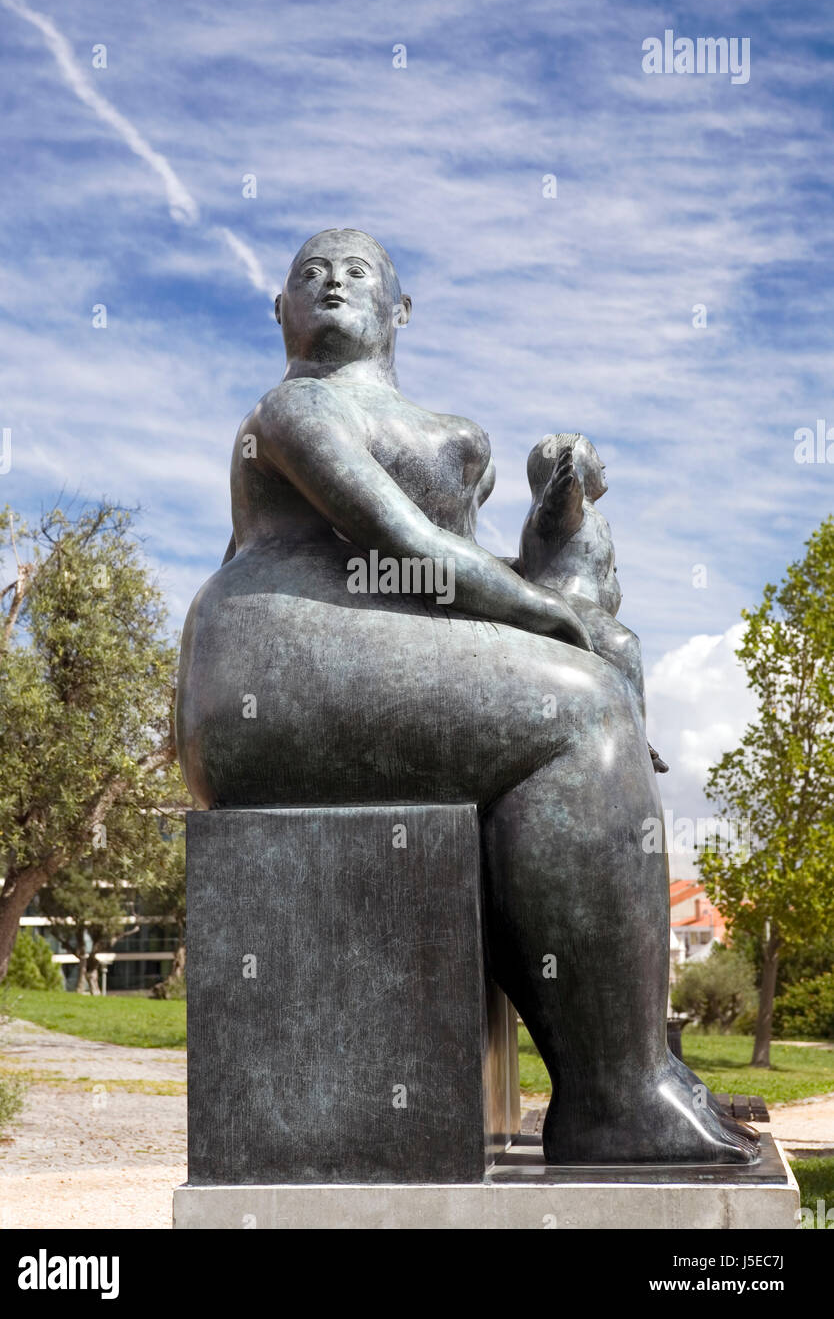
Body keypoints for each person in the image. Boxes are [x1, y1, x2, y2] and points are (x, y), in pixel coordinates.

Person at [176, 228, 758, 1164]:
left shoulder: (432, 428)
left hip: (375, 647)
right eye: (308, 274)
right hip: (271, 662)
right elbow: (403, 547)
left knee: (603, 659)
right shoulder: (293, 410)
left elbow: (472, 574)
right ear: (279, 312)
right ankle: (617, 1099)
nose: (330, 281)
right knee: (578, 712)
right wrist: (554, 625)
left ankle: (636, 1059)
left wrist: (556, 517)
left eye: (356, 271)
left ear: (399, 311)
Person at [520, 431, 669, 772]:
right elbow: (555, 511)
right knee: (624, 644)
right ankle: (634, 736)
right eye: (594, 457)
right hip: (569, 600)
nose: (602, 463)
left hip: (584, 602)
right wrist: (564, 486)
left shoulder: (586, 512)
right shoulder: (560, 510)